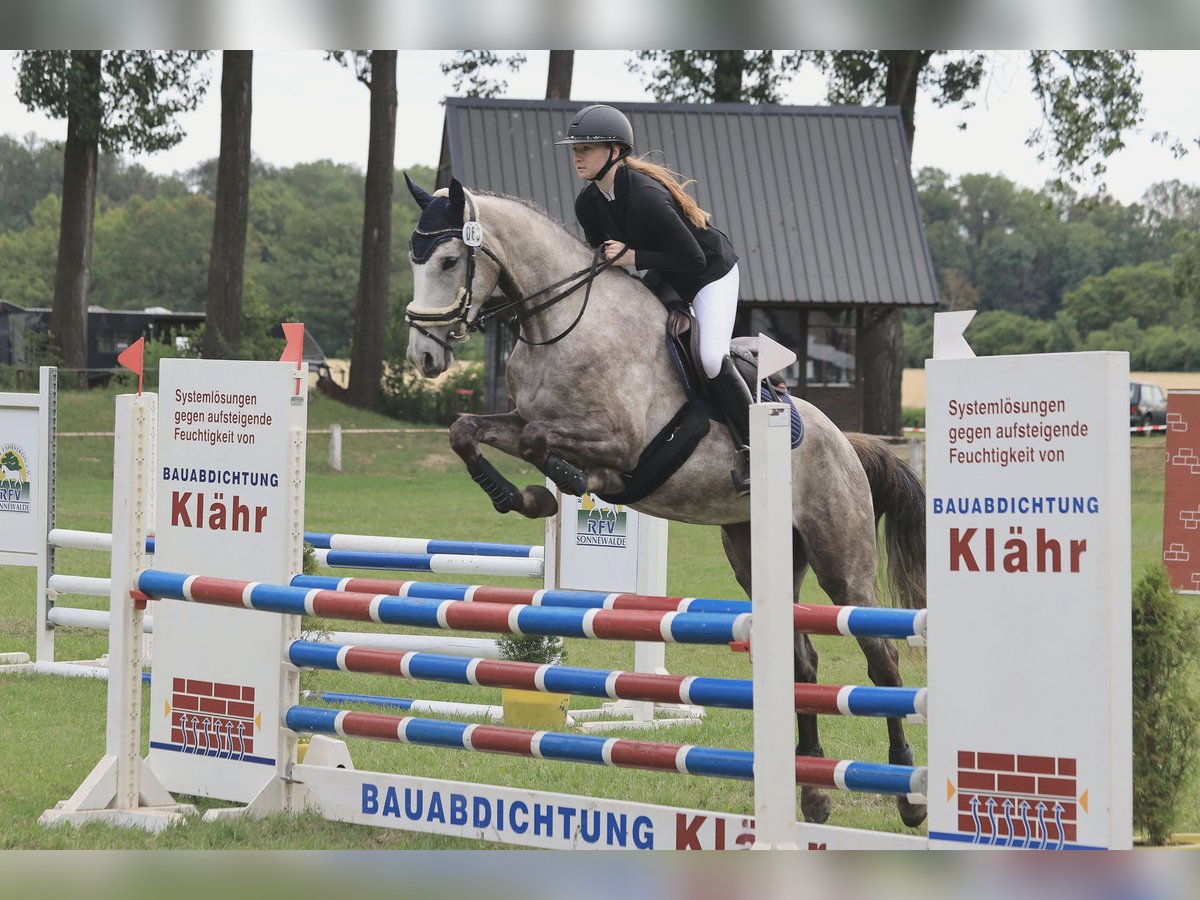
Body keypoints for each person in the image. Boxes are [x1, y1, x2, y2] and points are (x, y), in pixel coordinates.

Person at [556, 103, 753, 495]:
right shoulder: (588, 203)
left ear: (615, 152)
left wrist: (631, 257)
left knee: (712, 357)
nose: (577, 155)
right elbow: (606, 263)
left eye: (587, 149)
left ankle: (754, 448)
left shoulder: (646, 195)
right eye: (575, 148)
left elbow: (692, 258)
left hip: (709, 273)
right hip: (666, 271)